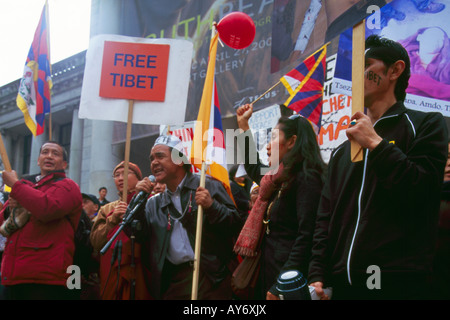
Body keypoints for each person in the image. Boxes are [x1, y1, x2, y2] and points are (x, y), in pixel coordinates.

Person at [308, 35, 448, 300]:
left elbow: (422, 191)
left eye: (366, 66)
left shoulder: (427, 125)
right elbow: (325, 217)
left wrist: (375, 143)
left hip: (398, 283)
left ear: (394, 70)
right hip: (343, 284)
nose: (357, 76)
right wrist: (317, 273)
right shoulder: (342, 151)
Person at [131, 134, 242, 300]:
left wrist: (212, 207)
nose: (154, 163)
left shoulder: (207, 184)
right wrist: (136, 201)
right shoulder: (152, 203)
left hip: (210, 276)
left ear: (179, 160)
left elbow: (235, 225)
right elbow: (137, 234)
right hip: (174, 282)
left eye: (160, 156)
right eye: (152, 158)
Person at [235, 105, 326, 300]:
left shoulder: (307, 178)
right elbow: (252, 167)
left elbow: (306, 236)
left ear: (292, 141)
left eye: (274, 138)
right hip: (271, 275)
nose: (268, 145)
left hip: (288, 283)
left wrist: (280, 286)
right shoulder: (278, 178)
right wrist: (243, 126)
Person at [0, 141, 82, 300]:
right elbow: (3, 219)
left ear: (64, 164)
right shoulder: (26, 187)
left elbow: (49, 209)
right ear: (38, 160)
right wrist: (12, 207)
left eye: (55, 153)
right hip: (13, 275)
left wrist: (16, 187)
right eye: (45, 152)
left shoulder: (68, 186)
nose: (49, 156)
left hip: (46, 278)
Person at [90, 161, 151, 300]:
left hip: (140, 269)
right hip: (111, 269)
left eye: (125, 173)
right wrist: (113, 219)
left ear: (139, 178)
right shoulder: (107, 209)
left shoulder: (150, 202)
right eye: (116, 175)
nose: (120, 178)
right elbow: (96, 242)